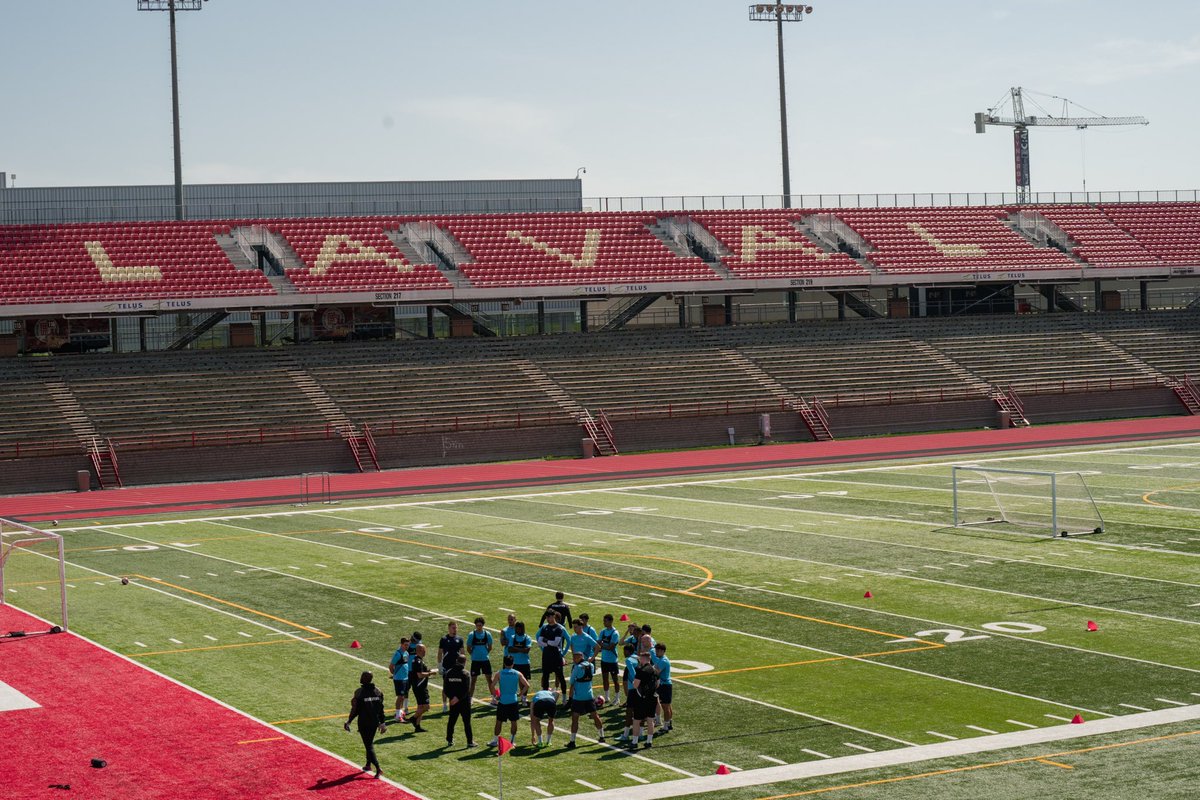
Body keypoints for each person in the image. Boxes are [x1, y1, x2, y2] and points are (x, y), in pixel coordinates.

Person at [344, 671, 387, 778]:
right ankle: (368, 764)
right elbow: (381, 709)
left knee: (368, 745)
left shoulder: (359, 692)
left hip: (363, 722)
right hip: (374, 722)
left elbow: (355, 710)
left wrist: (349, 721)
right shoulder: (378, 692)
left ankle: (378, 768)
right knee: (369, 742)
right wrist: (382, 722)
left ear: (363, 679)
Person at [566, 651, 605, 748]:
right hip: (589, 696)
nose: (574, 660)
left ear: (579, 657)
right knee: (595, 716)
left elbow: (571, 681)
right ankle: (602, 736)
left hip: (578, 697)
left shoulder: (577, 667)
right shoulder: (591, 665)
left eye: (575, 658)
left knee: (575, 718)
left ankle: (572, 741)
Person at [489, 656, 529, 747]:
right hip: (513, 701)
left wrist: (495, 695)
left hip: (503, 701)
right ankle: (512, 741)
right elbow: (527, 685)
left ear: (504, 663)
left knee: (499, 721)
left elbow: (492, 685)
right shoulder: (517, 673)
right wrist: (520, 694)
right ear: (513, 663)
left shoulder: (499, 673)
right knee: (514, 722)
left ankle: (495, 740)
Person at [628, 652, 659, 749]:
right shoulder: (655, 670)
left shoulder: (641, 671)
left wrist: (633, 682)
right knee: (650, 720)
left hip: (642, 698)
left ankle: (634, 742)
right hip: (652, 698)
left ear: (643, 659)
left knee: (636, 720)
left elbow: (635, 685)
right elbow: (658, 684)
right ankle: (649, 741)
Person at [443, 654, 475, 748]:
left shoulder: (449, 672)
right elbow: (466, 689)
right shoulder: (465, 673)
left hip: (453, 702)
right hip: (464, 702)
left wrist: (452, 698)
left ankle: (449, 740)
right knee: (467, 722)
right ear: (465, 662)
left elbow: (445, 689)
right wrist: (458, 698)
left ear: (457, 660)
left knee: (451, 721)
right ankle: (470, 742)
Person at [536, 612, 569, 697]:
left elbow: (556, 643)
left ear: (553, 616)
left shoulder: (559, 628)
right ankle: (545, 696)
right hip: (547, 655)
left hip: (556, 656)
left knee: (560, 676)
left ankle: (564, 698)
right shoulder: (544, 627)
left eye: (549, 616)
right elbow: (539, 641)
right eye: (546, 617)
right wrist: (548, 643)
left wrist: (546, 641)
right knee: (545, 676)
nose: (547, 618)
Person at [405, 643, 433, 732]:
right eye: (424, 650)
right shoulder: (418, 661)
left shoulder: (418, 660)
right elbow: (420, 675)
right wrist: (430, 673)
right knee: (426, 706)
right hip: (420, 687)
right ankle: (413, 718)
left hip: (419, 686)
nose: (425, 651)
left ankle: (417, 726)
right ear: (420, 651)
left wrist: (428, 671)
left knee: (420, 707)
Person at [465, 617, 495, 703]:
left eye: (480, 625)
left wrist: (484, 653)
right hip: (475, 661)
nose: (479, 627)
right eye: (477, 625)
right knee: (473, 680)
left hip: (485, 660)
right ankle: (470, 698)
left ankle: (493, 698)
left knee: (489, 680)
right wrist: (474, 655)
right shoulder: (472, 635)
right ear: (475, 625)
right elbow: (468, 648)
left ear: (483, 625)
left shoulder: (487, 634)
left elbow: (490, 647)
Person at [437, 621, 464, 712]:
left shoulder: (459, 639)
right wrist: (439, 665)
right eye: (453, 628)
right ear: (449, 628)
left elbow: (462, 653)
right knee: (446, 687)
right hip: (446, 666)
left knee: (456, 686)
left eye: (456, 628)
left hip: (456, 667)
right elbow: (440, 653)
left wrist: (462, 664)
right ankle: (444, 705)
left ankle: (454, 704)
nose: (455, 629)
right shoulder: (444, 639)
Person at [597, 614, 622, 704]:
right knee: (605, 679)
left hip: (612, 660)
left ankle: (617, 697)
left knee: (615, 680)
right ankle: (607, 697)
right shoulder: (603, 631)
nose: (604, 622)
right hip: (604, 660)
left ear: (611, 621)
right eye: (604, 621)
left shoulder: (615, 633)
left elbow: (610, 647)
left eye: (605, 621)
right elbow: (599, 642)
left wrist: (601, 645)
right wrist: (602, 645)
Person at [507, 621, 533, 704]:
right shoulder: (512, 637)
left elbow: (527, 651)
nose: (518, 630)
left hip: (525, 663)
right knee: (514, 680)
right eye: (516, 628)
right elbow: (509, 649)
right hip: (515, 663)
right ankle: (514, 696)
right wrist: (521, 650)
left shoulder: (527, 638)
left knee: (525, 681)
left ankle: (524, 697)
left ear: (523, 629)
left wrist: (516, 649)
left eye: (519, 628)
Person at [652, 642, 674, 732]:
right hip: (664, 685)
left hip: (665, 685)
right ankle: (669, 723)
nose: (656, 652)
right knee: (667, 706)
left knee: (665, 706)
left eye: (657, 650)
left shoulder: (663, 661)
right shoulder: (661, 659)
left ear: (662, 651)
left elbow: (657, 671)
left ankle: (665, 727)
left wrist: (648, 668)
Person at [388, 636, 410, 722]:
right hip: (399, 679)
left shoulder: (406, 653)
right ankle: (397, 716)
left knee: (403, 696)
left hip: (405, 678)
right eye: (405, 645)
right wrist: (395, 674)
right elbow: (391, 666)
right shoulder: (398, 654)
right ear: (401, 644)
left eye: (408, 645)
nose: (406, 646)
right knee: (400, 697)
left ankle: (400, 712)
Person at [619, 643, 638, 740]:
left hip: (633, 689)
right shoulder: (638, 658)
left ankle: (625, 735)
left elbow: (634, 673)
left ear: (629, 651)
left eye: (625, 651)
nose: (623, 653)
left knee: (629, 711)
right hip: (641, 689)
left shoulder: (629, 660)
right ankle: (641, 734)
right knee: (639, 711)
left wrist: (636, 682)